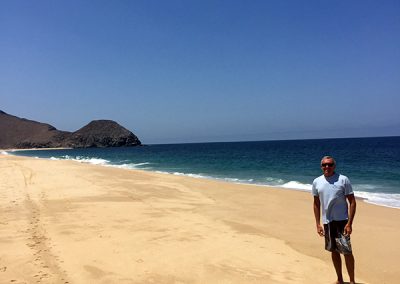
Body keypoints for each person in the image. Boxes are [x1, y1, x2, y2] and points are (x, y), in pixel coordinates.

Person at [312, 156, 357, 284]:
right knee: (334, 251)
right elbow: (316, 203)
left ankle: (352, 281)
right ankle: (340, 279)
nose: (327, 167)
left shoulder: (343, 180)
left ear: (334, 166)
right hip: (327, 222)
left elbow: (352, 202)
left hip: (342, 222)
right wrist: (318, 224)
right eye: (324, 165)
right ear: (321, 166)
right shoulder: (317, 182)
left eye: (330, 164)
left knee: (347, 251)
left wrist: (349, 223)